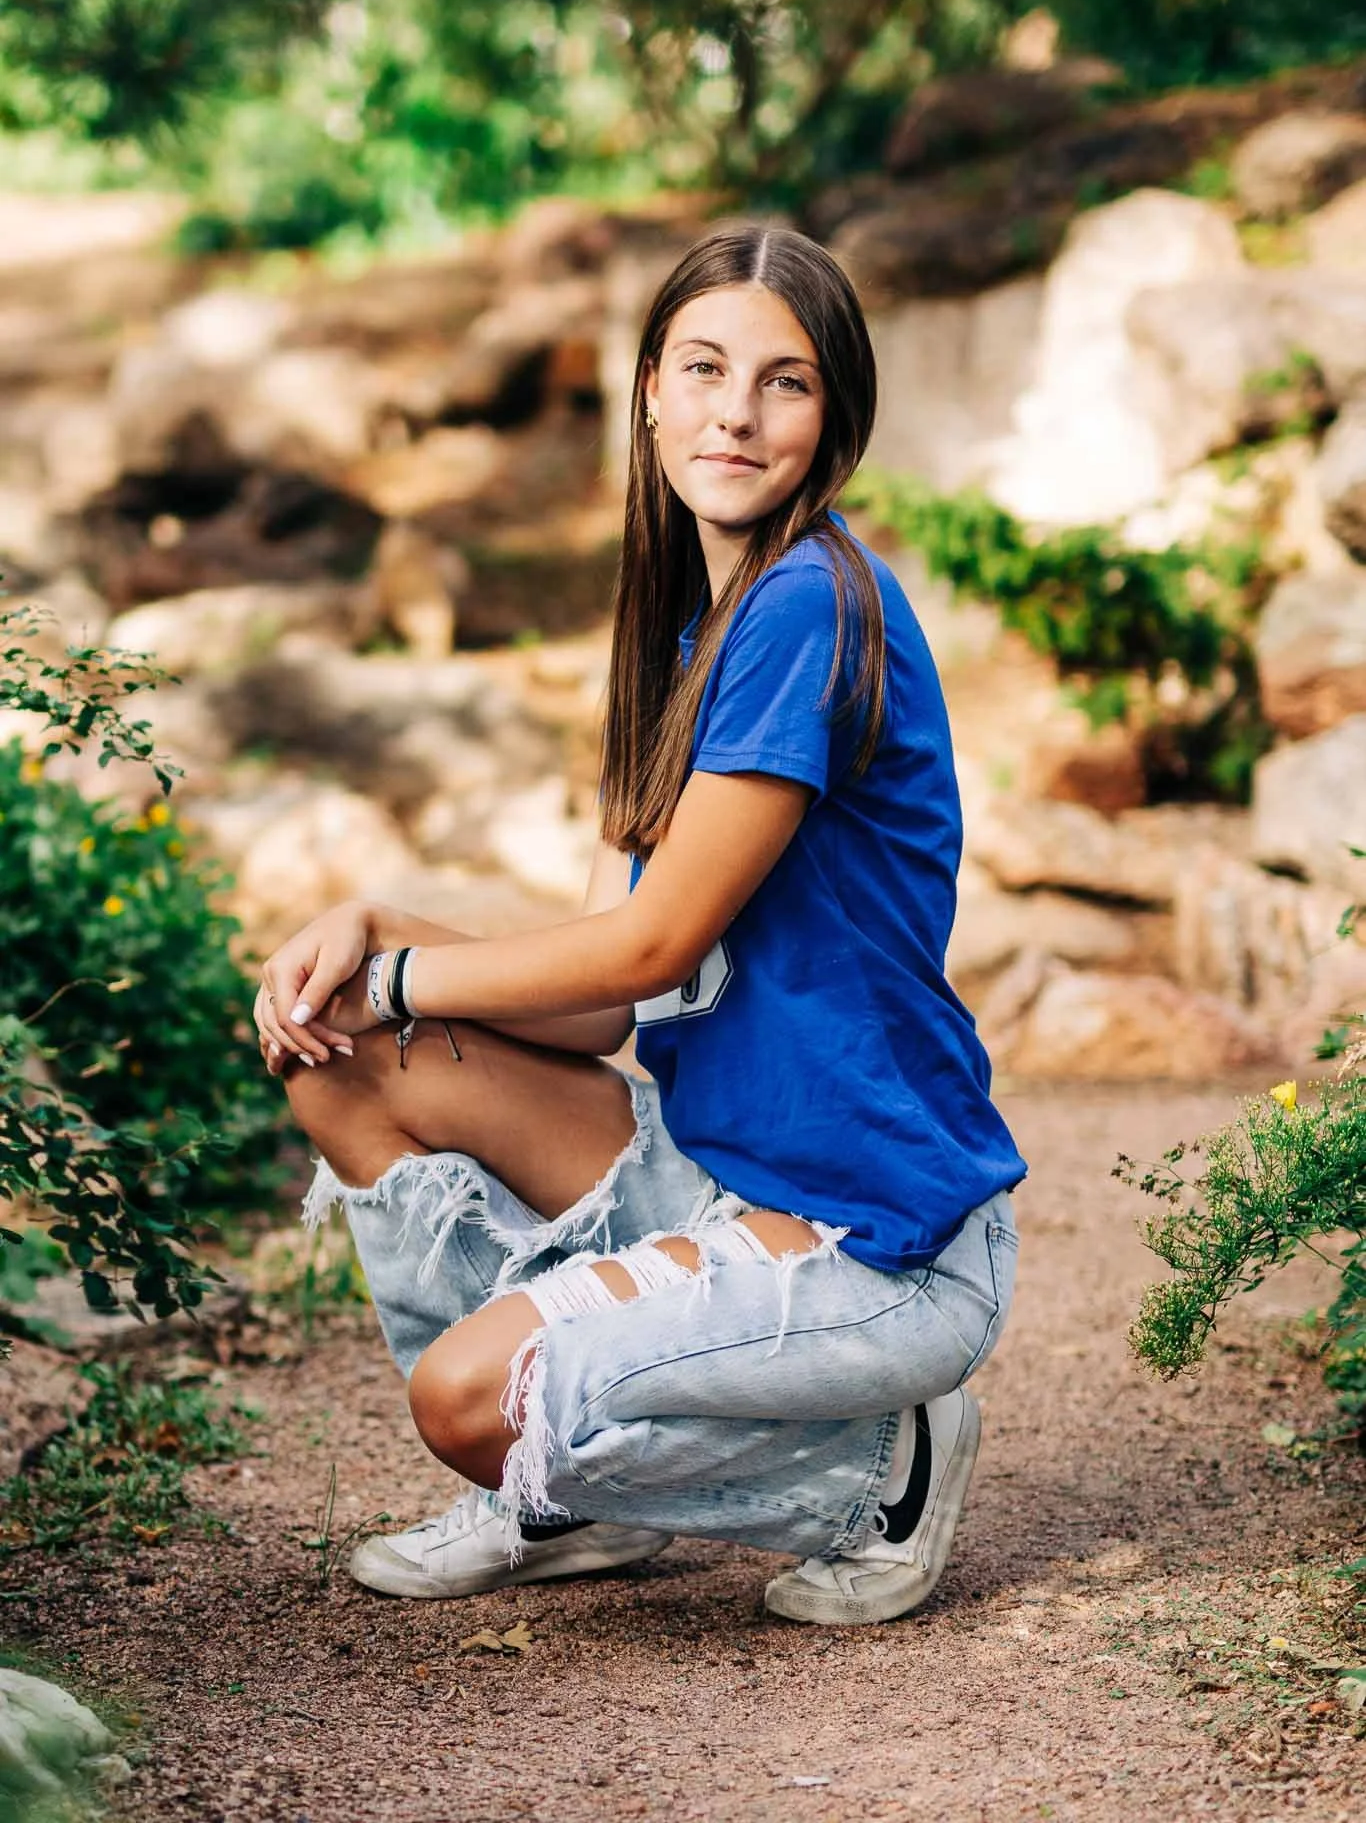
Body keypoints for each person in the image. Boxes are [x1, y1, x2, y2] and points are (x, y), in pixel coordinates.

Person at [253, 223, 1027, 1627]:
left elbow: (648, 950)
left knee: (465, 1395)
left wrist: (406, 971)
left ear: (835, 417)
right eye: (704, 368)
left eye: (784, 383)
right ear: (651, 393)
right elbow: (603, 1008)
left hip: (866, 1232)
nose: (735, 412)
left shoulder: (811, 608)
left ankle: (879, 1470)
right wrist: (374, 935)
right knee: (338, 1053)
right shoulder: (699, 623)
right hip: (712, 1165)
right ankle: (550, 1503)